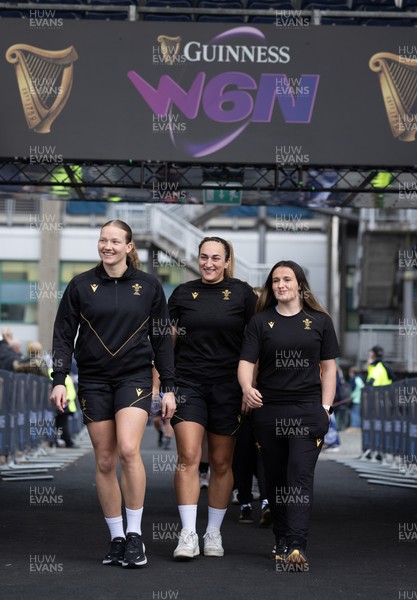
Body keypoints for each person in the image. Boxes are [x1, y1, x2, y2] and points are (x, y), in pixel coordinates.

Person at [49, 220, 176, 568]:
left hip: (134, 376)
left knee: (128, 449)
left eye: (115, 241)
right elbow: (63, 335)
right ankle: (116, 537)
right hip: (93, 378)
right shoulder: (80, 285)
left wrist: (168, 387)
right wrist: (59, 378)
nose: (108, 246)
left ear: (129, 246)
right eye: (103, 240)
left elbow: (163, 339)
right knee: (105, 460)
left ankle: (135, 536)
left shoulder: (149, 286)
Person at [238, 260, 339, 567]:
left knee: (299, 475)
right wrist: (246, 387)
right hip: (269, 412)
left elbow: (329, 368)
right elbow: (246, 363)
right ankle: (281, 538)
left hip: (308, 411)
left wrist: (325, 408)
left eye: (287, 279)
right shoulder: (259, 322)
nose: (281, 285)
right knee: (277, 481)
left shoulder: (320, 321)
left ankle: (296, 544)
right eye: (276, 281)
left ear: (299, 285)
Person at [168, 236, 257, 559]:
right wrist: (164, 385)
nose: (208, 263)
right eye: (204, 257)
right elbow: (168, 339)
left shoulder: (243, 294)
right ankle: (188, 533)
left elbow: (255, 342)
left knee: (221, 462)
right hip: (187, 383)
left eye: (216, 258)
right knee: (189, 455)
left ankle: (213, 533)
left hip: (228, 386)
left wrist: (250, 386)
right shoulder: (181, 293)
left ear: (227, 261)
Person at [347, 366, 365, 430]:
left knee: (354, 413)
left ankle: (354, 427)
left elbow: (356, 388)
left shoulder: (356, 379)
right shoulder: (360, 379)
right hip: (359, 399)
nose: (349, 374)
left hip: (356, 399)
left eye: (350, 372)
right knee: (356, 413)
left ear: (353, 372)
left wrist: (352, 396)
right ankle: (356, 426)